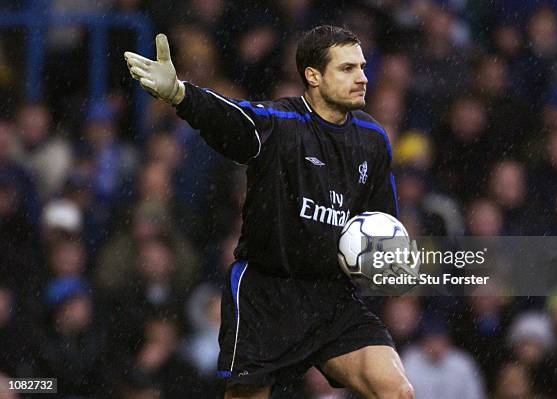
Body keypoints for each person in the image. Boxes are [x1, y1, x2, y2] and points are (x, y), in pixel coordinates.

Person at [124, 26, 414, 399]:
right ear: (313, 76)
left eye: (361, 66)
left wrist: (392, 264)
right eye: (347, 69)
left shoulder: (373, 140)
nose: (363, 77)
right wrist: (181, 94)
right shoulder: (280, 124)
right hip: (268, 294)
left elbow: (384, 225)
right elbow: (228, 118)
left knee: (396, 391)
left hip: (333, 297)